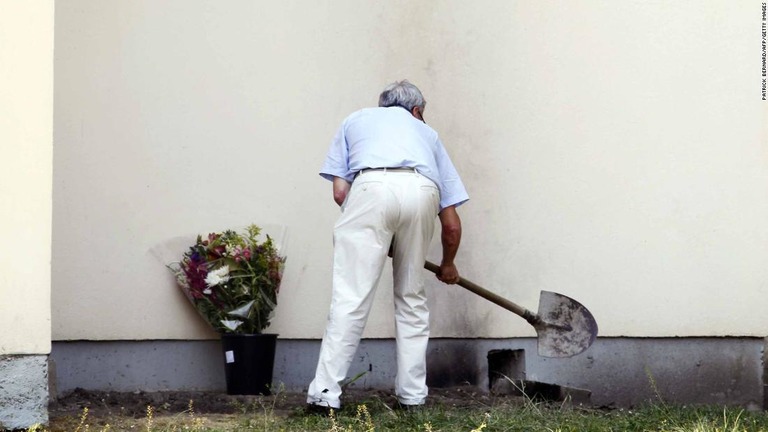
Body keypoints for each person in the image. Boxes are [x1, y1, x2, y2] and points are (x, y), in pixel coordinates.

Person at [306, 80, 469, 413]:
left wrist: (372, 228)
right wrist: (448, 264)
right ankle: (413, 397)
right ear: (417, 110)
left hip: (371, 187)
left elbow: (340, 193)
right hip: (423, 191)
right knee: (411, 299)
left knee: (351, 297)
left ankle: (325, 395)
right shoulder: (428, 135)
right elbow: (451, 225)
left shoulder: (356, 120)